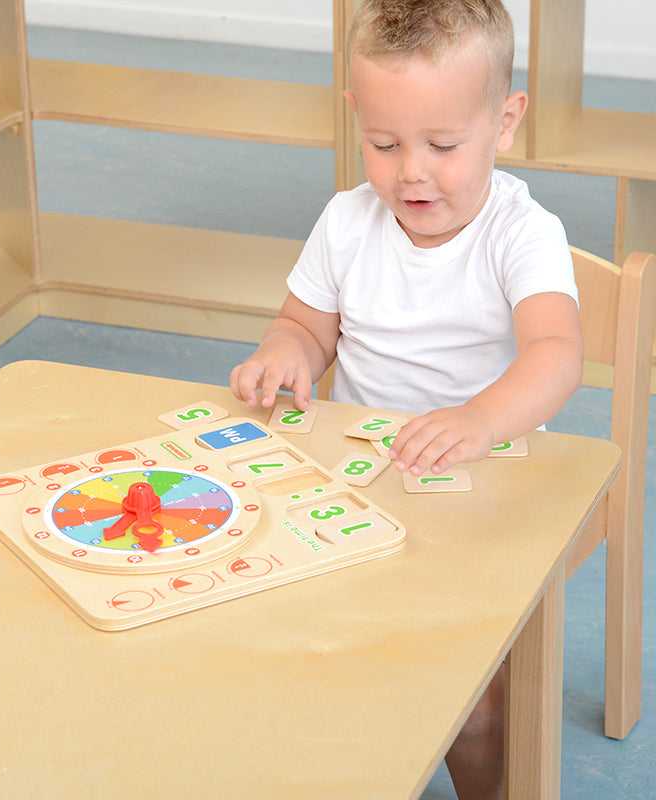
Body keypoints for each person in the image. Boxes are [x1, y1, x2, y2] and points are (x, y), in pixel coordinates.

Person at [230, 1, 584, 797]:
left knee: (476, 702)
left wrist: (477, 420)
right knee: (268, 623)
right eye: (384, 144)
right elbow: (304, 326)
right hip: (360, 475)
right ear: (356, 116)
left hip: (489, 481)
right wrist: (284, 351)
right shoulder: (347, 221)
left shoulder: (521, 233)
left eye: (443, 145)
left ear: (506, 121)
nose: (411, 172)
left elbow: (559, 355)